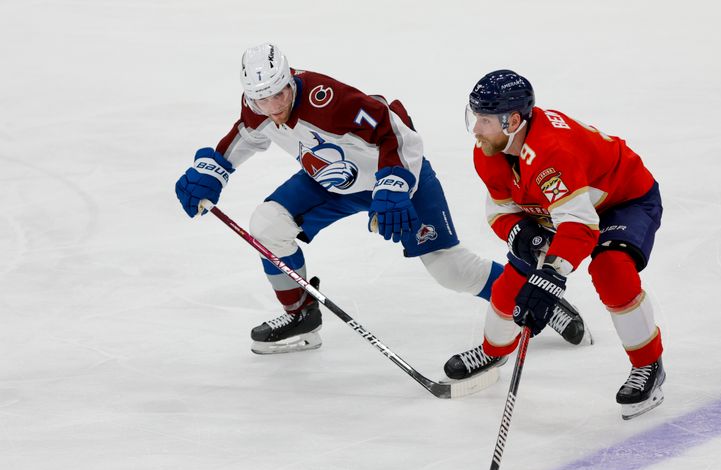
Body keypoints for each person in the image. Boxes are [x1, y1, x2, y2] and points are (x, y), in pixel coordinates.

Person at [174, 42, 588, 358]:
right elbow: (242, 139)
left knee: (450, 269)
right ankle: (301, 315)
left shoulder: (328, 100)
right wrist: (211, 172)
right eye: (262, 99)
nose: (273, 107)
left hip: (397, 177)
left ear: (290, 78)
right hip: (331, 183)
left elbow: (397, 132)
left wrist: (394, 186)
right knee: (268, 224)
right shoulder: (258, 108)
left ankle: (542, 302)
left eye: (279, 94)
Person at [450, 69, 665, 420]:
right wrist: (519, 233)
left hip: (622, 200)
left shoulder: (553, 151)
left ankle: (648, 366)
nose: (476, 129)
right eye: (475, 117)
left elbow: (579, 227)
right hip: (557, 207)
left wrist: (552, 274)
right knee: (512, 284)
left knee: (612, 270)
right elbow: (500, 208)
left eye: (484, 120)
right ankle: (494, 351)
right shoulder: (490, 149)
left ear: (513, 121)